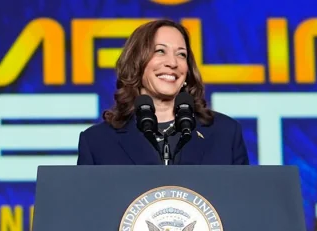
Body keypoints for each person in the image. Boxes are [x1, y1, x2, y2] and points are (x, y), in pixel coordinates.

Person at [77, 19, 249, 165]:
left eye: (181, 55)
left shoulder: (225, 133)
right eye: (160, 51)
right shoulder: (97, 142)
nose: (172, 63)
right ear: (136, 62)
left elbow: (241, 200)